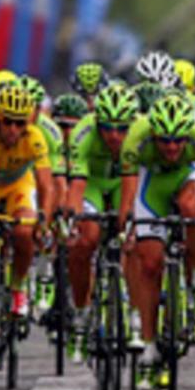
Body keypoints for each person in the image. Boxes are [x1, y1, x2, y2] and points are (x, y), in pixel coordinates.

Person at [120, 93, 195, 390]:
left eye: (178, 141)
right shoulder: (136, 138)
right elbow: (128, 194)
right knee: (150, 267)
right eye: (165, 141)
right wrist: (127, 226)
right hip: (151, 184)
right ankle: (149, 349)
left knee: (193, 208)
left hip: (187, 177)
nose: (172, 147)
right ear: (153, 135)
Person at [64, 82, 136, 362]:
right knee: (86, 240)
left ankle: (132, 307)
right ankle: (81, 314)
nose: (114, 135)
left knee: (133, 238)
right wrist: (74, 219)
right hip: (92, 183)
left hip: (123, 183)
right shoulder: (83, 133)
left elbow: (133, 180)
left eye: (121, 129)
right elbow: (77, 184)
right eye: (107, 128)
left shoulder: (140, 134)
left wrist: (127, 219)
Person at [0, 83, 55, 318]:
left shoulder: (35, 137)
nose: (13, 130)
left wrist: (43, 220)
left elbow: (46, 184)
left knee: (24, 231)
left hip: (18, 185)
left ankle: (18, 286)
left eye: (20, 123)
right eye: (7, 122)